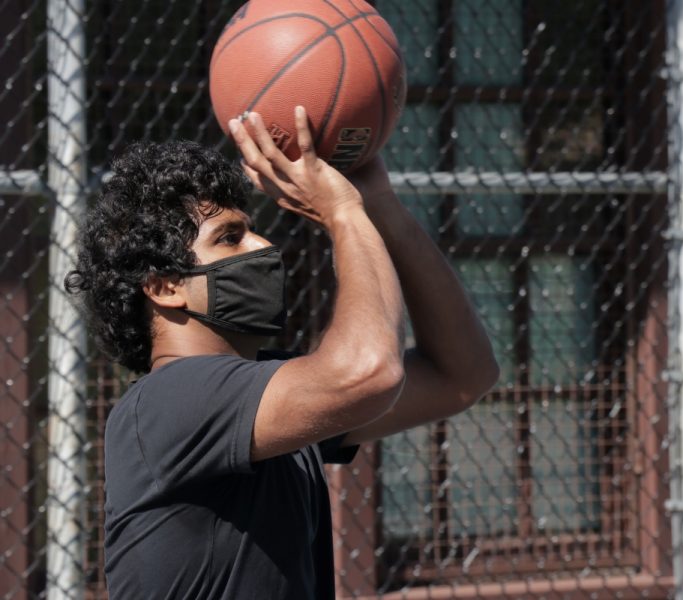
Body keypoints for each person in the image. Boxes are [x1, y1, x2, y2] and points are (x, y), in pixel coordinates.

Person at [65, 107, 498, 599]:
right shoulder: (169, 401)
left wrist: (382, 207)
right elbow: (371, 370)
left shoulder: (262, 392)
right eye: (230, 238)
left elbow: (462, 375)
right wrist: (343, 214)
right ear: (165, 286)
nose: (262, 245)